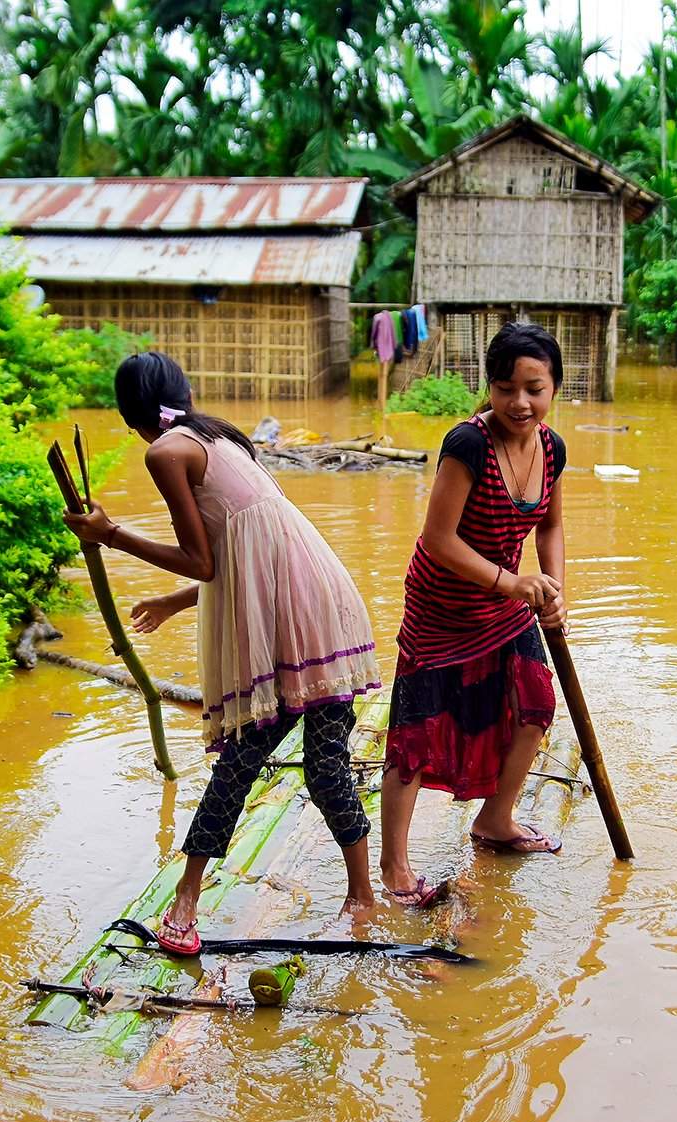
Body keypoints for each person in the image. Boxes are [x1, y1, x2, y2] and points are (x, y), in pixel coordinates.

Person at [63, 352, 382, 953]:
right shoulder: (218, 437)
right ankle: (359, 896)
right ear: (182, 393)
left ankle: (188, 902)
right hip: (323, 601)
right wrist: (176, 603)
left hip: (288, 620)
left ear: (129, 413)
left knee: (245, 761)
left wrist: (110, 535)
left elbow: (209, 560)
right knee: (321, 764)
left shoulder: (165, 452)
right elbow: (244, 550)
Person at [377, 322, 568, 908]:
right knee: (417, 733)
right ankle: (393, 867)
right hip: (442, 608)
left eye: (534, 388)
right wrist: (514, 583)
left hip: (506, 606)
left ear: (555, 387)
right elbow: (437, 539)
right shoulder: (468, 444)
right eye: (507, 387)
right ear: (490, 387)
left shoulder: (553, 447)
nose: (520, 402)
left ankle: (495, 820)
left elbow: (552, 525)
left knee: (536, 704)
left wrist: (555, 586)